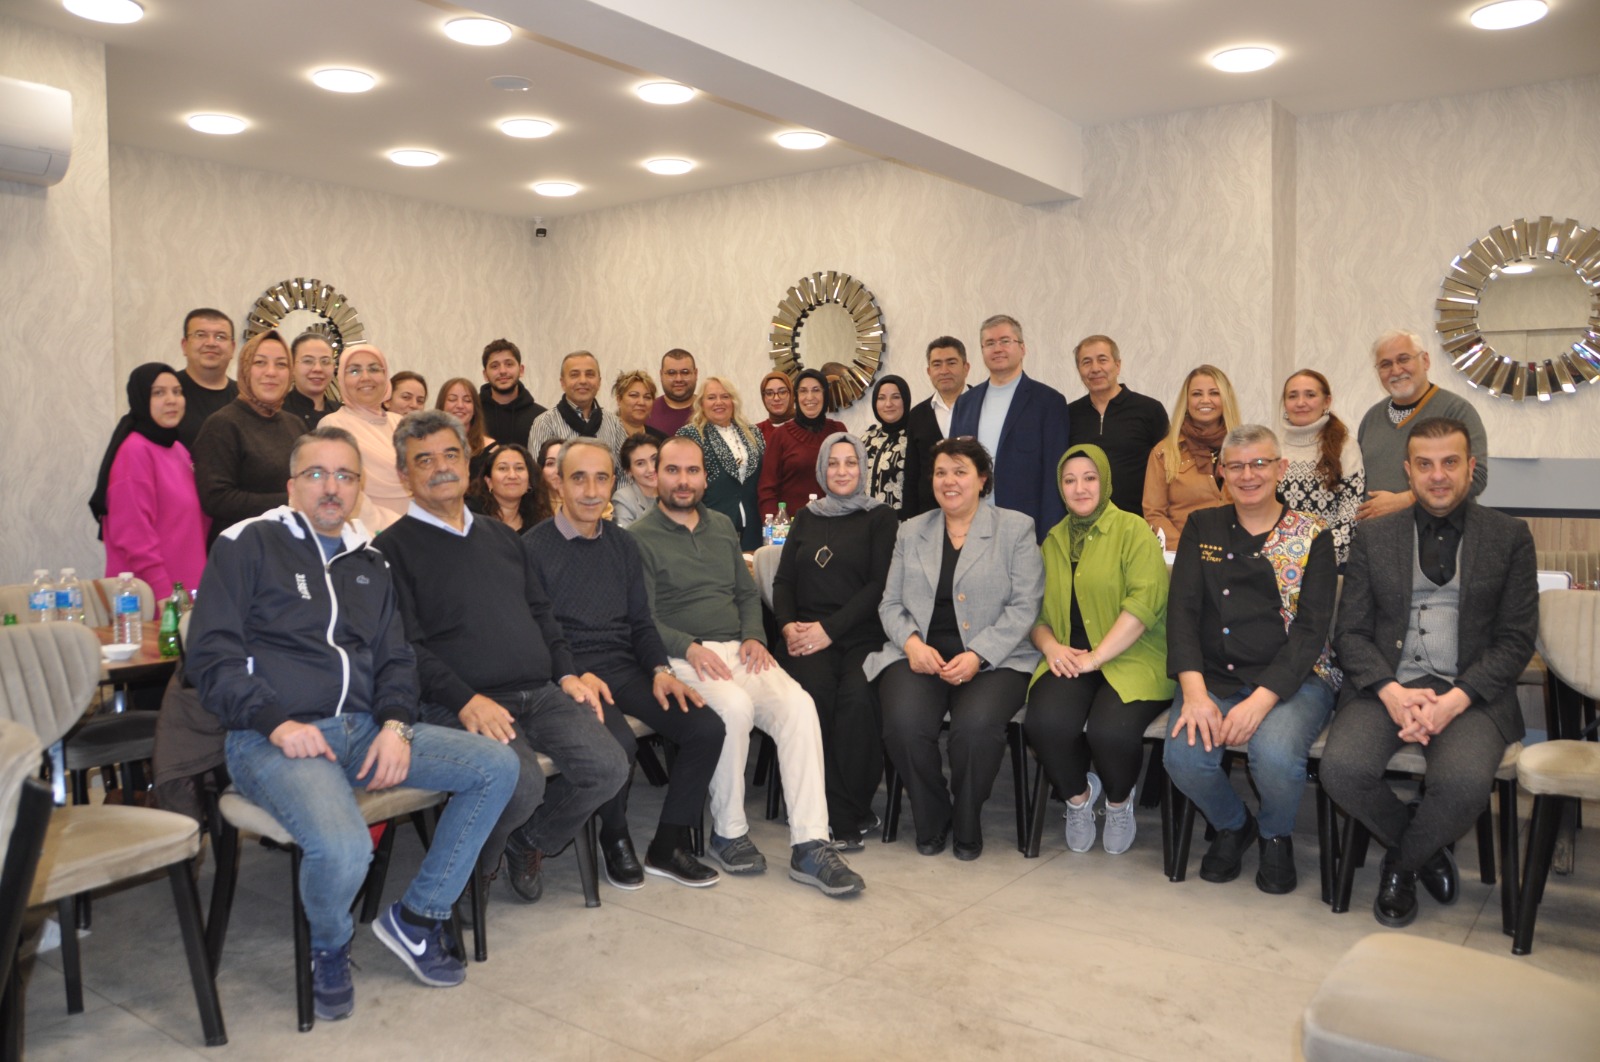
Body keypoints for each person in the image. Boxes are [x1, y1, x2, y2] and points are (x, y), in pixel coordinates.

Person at [186, 425, 519, 1022]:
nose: (331, 487)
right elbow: (211, 659)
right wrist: (277, 722)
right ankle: (329, 946)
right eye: (316, 474)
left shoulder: (369, 560)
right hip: (271, 739)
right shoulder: (247, 544)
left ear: (360, 486)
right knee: (345, 851)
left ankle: (418, 917)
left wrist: (395, 725)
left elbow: (396, 659)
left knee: (497, 765)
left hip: (363, 730)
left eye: (345, 475)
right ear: (292, 485)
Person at [375, 411, 629, 905]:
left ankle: (526, 842)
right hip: (464, 700)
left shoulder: (501, 537)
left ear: (467, 464)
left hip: (540, 691)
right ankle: (477, 869)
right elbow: (404, 648)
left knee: (608, 767)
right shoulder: (390, 550)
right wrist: (464, 699)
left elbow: (541, 612)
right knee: (521, 783)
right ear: (404, 475)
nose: (441, 467)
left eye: (451, 455)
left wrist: (567, 673)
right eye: (424, 460)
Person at [1321, 417, 1536, 928]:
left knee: (1461, 785)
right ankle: (1426, 847)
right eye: (1425, 464)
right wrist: (1392, 692)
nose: (1437, 475)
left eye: (1449, 463)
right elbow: (1350, 633)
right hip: (1386, 687)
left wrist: (1456, 700)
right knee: (1341, 771)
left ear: (1470, 467)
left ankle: (1402, 864)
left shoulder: (1509, 536)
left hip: (1471, 695)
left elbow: (1516, 641)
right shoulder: (1375, 535)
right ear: (1408, 471)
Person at [627, 436, 865, 896]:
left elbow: (744, 593)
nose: (683, 480)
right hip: (682, 656)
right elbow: (643, 618)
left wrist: (755, 636)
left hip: (739, 649)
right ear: (656, 476)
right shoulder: (638, 537)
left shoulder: (720, 526)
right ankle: (728, 832)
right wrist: (689, 647)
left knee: (799, 705)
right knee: (733, 708)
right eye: (673, 470)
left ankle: (811, 843)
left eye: (692, 471)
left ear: (705, 477)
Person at [527, 439, 726, 887]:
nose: (591, 491)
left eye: (601, 478)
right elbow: (537, 633)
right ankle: (614, 837)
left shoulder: (623, 544)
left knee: (706, 727)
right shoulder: (533, 548)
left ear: (613, 483)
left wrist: (660, 670)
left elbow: (641, 622)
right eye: (579, 478)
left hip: (624, 665)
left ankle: (668, 844)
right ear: (558, 482)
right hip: (568, 675)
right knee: (618, 744)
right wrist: (572, 674)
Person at [1163, 424, 1340, 895]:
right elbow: (1182, 613)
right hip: (1214, 676)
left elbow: (1311, 632)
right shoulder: (1202, 526)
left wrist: (1259, 703)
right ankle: (1234, 825)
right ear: (1221, 472)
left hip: (1295, 678)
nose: (1248, 475)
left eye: (1260, 463)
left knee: (1275, 757)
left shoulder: (1312, 535)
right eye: (1236, 466)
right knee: (1184, 759)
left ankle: (1274, 835)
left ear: (1281, 468)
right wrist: (1194, 694)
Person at [867, 437, 1044, 859]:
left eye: (960, 472)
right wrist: (912, 644)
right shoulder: (912, 530)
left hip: (995, 660)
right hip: (920, 655)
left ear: (982, 479)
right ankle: (933, 817)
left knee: (975, 729)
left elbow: (1026, 606)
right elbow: (890, 603)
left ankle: (967, 820)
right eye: (941, 472)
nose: (949, 481)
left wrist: (979, 654)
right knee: (903, 725)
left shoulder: (1015, 528)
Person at [1025, 444, 1173, 855]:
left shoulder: (1133, 530)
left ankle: (1119, 802)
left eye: (1089, 478)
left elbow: (1143, 606)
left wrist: (1096, 657)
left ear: (1105, 481)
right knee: (1045, 724)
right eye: (1070, 480)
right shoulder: (1053, 540)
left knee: (1111, 732)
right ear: (1060, 487)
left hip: (1133, 655)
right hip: (1071, 657)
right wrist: (1051, 647)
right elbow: (1035, 615)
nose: (1080, 488)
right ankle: (1079, 798)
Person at [772, 433, 897, 848]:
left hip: (862, 634)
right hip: (806, 635)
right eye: (833, 463)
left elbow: (878, 586)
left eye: (851, 462)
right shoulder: (805, 517)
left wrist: (830, 630)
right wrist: (787, 625)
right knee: (813, 697)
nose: (842, 471)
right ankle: (818, 807)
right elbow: (784, 581)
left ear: (863, 468)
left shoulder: (881, 518)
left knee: (857, 701)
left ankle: (849, 811)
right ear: (821, 469)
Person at [948, 315, 1070, 544]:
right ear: (982, 351)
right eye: (990, 343)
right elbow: (954, 468)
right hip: (972, 526)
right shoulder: (965, 403)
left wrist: (1050, 537)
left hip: (1027, 528)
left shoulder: (1048, 402)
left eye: (1005, 341)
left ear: (1022, 348)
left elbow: (1055, 475)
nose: (998, 349)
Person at [101, 362, 210, 598]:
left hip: (187, 589)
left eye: (177, 392)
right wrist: (162, 593)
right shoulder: (134, 451)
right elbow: (134, 535)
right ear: (141, 399)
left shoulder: (178, 450)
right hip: (151, 597)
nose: (172, 400)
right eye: (159, 393)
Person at [1356, 330, 1489, 521]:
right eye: (1385, 364)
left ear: (1425, 361)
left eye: (1403, 359)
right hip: (1379, 535)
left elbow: (1476, 477)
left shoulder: (1456, 411)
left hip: (1441, 532)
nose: (1396, 370)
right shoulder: (1371, 418)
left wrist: (1405, 500)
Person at [193, 329, 304, 539]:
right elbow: (217, 499)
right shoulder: (222, 424)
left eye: (281, 364)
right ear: (245, 368)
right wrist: (290, 500)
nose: (271, 372)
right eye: (260, 362)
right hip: (241, 545)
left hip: (290, 542)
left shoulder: (295, 424)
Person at [1066, 335, 1169, 516]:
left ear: (1118, 365)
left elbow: (1168, 467)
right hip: (1085, 522)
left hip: (1139, 520)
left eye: (1102, 360)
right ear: (1079, 370)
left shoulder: (1149, 409)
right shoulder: (1068, 414)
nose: (1095, 368)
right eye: (1086, 362)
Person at [1142, 364, 1240, 546]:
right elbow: (1154, 514)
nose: (1205, 400)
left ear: (1226, 399)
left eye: (1214, 393)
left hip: (1237, 553)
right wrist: (1187, 549)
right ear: (1186, 402)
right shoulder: (1164, 452)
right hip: (1183, 554)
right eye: (1196, 394)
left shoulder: (1244, 450)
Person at [1279, 369, 1365, 566]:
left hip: (1328, 566)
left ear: (1327, 402)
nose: (1301, 402)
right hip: (1278, 563)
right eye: (1293, 396)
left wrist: (1319, 561)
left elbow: (1351, 511)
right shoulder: (1271, 449)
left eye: (1310, 395)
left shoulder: (1345, 446)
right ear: (1285, 403)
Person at [322, 345, 406, 532]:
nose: (366, 377)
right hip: (367, 529)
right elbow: (339, 489)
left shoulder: (401, 424)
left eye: (374, 369)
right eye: (354, 371)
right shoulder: (333, 426)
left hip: (413, 523)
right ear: (342, 380)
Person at [674, 377, 764, 549]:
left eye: (725, 396)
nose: (719, 402)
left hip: (754, 525)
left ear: (733, 401)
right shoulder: (689, 435)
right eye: (711, 397)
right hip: (709, 525)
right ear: (701, 403)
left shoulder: (753, 432)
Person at [759, 368, 845, 520]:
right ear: (796, 396)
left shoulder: (839, 430)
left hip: (835, 522)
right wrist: (775, 526)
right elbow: (767, 489)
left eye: (816, 390)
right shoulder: (780, 435)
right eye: (803, 391)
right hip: (792, 527)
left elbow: (850, 480)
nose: (809, 397)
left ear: (825, 394)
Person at [903, 336, 971, 516]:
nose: (944, 371)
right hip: (930, 514)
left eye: (951, 363)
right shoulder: (917, 415)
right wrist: (910, 519)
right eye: (937, 364)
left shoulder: (983, 405)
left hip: (976, 511)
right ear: (929, 371)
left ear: (966, 368)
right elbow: (912, 474)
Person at [529, 351, 630, 461]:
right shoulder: (545, 423)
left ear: (599, 382)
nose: (583, 380)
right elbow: (537, 469)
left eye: (590, 374)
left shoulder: (614, 424)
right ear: (562, 383)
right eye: (574, 375)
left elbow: (625, 469)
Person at [174, 307, 239, 450]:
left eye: (220, 337)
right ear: (185, 345)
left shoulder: (246, 397)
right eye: (200, 335)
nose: (211, 343)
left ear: (233, 348)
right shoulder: (166, 392)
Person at [466, 440, 550, 533]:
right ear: (489, 481)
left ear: (529, 481)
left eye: (519, 468)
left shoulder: (539, 524)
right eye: (503, 468)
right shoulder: (470, 517)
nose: (512, 476)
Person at [862, 375, 914, 518]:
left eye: (896, 397)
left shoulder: (915, 438)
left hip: (902, 523)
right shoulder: (866, 439)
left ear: (905, 400)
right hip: (866, 524)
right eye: (881, 398)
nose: (888, 404)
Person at [478, 338, 546, 447]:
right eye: (495, 366)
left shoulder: (542, 418)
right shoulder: (473, 415)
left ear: (521, 370)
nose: (502, 371)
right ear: (485, 374)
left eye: (509, 364)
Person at [436, 376, 495, 480]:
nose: (460, 405)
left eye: (467, 400)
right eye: (452, 399)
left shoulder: (492, 449)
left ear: (475, 409)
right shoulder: (429, 445)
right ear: (442, 406)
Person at [282, 333, 342, 431]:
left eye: (325, 362)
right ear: (292, 366)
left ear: (333, 367)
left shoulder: (342, 413)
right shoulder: (276, 412)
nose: (318, 369)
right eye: (308, 361)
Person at [646, 348, 698, 437]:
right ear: (661, 375)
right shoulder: (647, 411)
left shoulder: (709, 410)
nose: (678, 379)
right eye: (671, 373)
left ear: (696, 374)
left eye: (685, 372)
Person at [611, 433, 660, 528]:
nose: (651, 469)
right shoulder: (623, 499)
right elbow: (625, 536)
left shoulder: (672, 491)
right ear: (629, 471)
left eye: (654, 459)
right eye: (640, 463)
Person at [613, 369, 664, 441]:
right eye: (634, 395)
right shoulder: (605, 435)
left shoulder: (661, 440)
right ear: (619, 399)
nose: (641, 402)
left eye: (647, 397)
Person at [754, 371, 794, 446]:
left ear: (791, 394)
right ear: (763, 397)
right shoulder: (756, 432)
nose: (776, 398)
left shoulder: (806, 425)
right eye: (769, 393)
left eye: (782, 392)